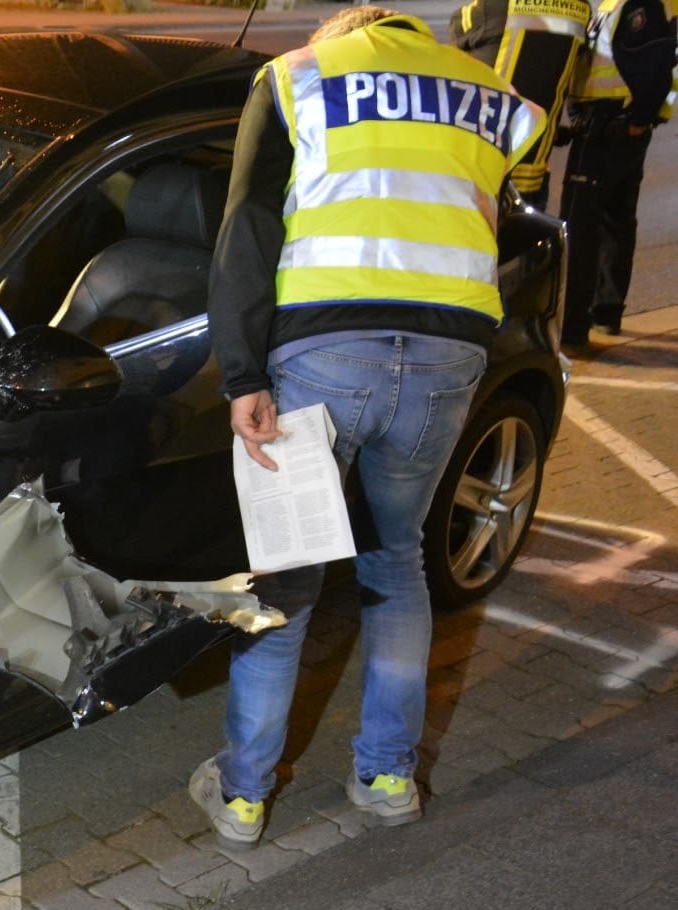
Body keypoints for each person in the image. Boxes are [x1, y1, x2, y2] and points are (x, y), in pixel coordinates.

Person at [194, 6, 543, 851]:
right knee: (399, 560)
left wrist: (242, 375)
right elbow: (502, 214)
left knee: (288, 579)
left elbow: (248, 225)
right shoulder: (494, 94)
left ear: (339, 32)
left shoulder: (299, 76)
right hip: (446, 357)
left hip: (324, 354)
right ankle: (387, 778)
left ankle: (243, 794)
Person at [557, 0, 676, 346]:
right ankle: (605, 313)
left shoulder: (642, 3)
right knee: (615, 222)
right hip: (610, 126)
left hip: (611, 128)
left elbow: (657, 60)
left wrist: (638, 119)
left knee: (580, 227)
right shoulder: (617, 3)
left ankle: (574, 325)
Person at [449, 0, 593, 208]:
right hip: (532, 170)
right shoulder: (581, 8)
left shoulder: (493, 7)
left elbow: (457, 29)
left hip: (484, 169)